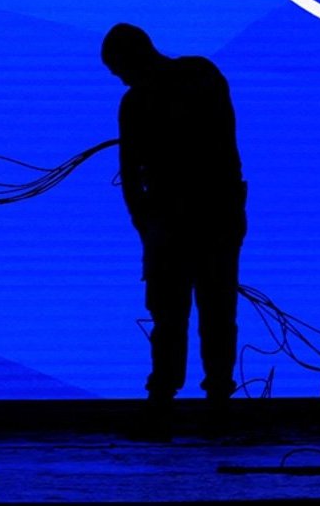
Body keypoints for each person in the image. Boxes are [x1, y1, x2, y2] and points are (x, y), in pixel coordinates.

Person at [102, 23, 246, 437]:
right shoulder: (201, 74)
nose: (121, 78)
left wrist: (146, 226)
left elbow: (132, 176)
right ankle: (213, 404)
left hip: (184, 219)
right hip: (213, 214)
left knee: (175, 315)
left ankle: (167, 404)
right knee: (212, 311)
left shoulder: (140, 100)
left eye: (120, 69)